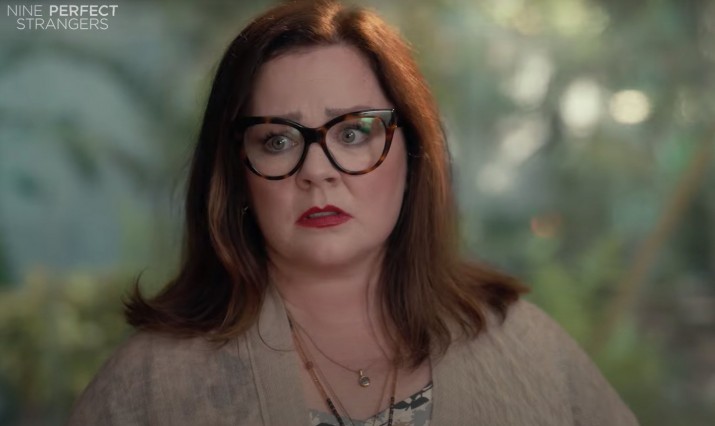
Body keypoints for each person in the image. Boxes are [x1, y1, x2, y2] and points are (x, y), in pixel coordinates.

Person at [68, 1, 639, 425]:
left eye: (353, 132)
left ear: (412, 153)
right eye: (277, 140)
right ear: (236, 173)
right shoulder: (151, 384)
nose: (317, 171)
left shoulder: (528, 349)